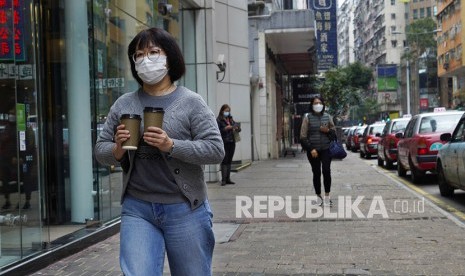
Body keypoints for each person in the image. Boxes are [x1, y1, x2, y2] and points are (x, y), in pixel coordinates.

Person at [94, 27, 225, 276]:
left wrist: (171, 145)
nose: (146, 59)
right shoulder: (124, 103)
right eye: (139, 54)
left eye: (154, 52)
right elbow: (101, 150)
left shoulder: (190, 102)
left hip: (185, 208)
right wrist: (117, 149)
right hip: (137, 208)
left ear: (169, 57)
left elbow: (215, 150)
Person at [300, 96, 336, 207]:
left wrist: (328, 130)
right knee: (316, 173)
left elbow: (334, 134)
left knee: (326, 171)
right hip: (313, 151)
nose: (318, 105)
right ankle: (318, 197)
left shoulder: (328, 117)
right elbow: (302, 137)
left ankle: (327, 196)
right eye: (315, 103)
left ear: (323, 104)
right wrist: (311, 149)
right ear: (312, 105)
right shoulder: (307, 117)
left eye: (320, 103)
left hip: (326, 149)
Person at [217, 104, 241, 186]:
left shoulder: (230, 119)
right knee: (224, 160)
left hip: (232, 141)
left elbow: (238, 127)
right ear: (222, 111)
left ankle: (228, 179)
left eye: (228, 111)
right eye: (226, 111)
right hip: (224, 142)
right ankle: (223, 180)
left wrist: (237, 127)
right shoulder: (219, 120)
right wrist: (225, 129)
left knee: (230, 160)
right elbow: (217, 131)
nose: (227, 112)